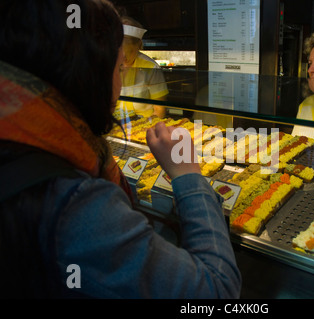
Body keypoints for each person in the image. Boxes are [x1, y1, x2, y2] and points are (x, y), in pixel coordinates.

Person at [0, 0, 241, 298]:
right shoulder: (73, 203)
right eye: (118, 67)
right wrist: (188, 175)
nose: (121, 78)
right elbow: (215, 290)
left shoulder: (24, 132)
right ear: (91, 75)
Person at [116, 16, 168, 119]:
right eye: (118, 52)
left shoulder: (150, 68)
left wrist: (144, 128)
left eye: (127, 53)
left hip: (143, 127)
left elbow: (159, 110)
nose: (122, 58)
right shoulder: (108, 65)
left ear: (139, 45)